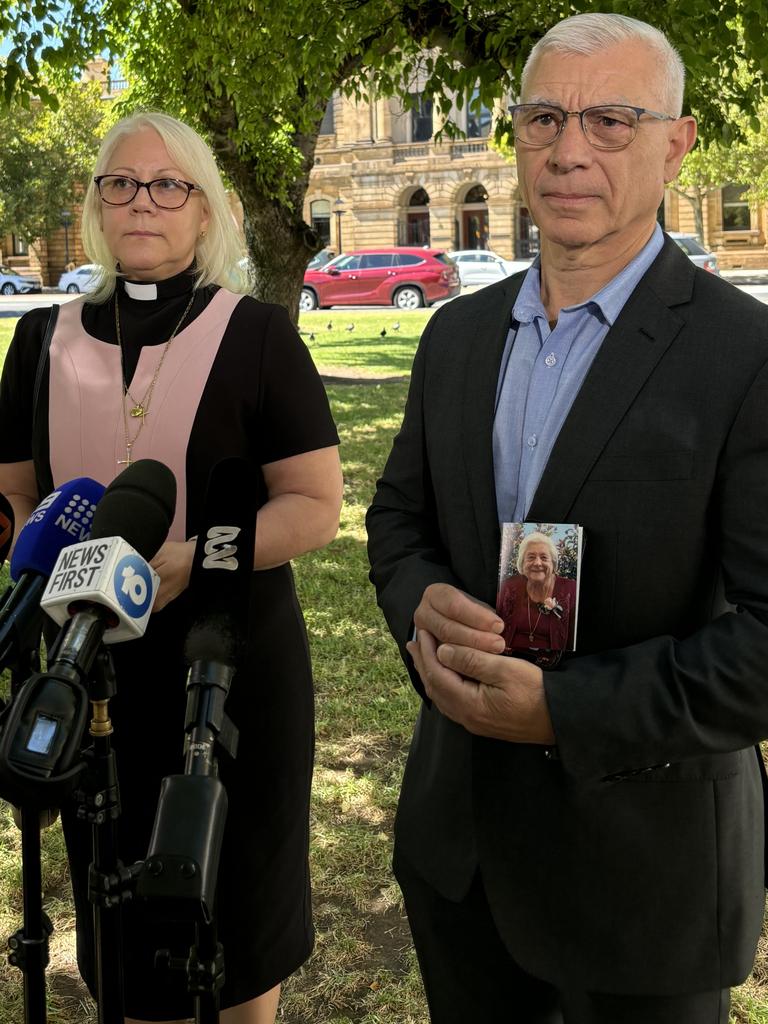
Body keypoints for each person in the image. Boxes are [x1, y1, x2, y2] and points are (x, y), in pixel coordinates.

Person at [367, 13, 768, 1024]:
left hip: (647, 881)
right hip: (461, 856)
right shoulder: (455, 337)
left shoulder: (745, 353)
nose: (569, 149)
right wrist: (423, 608)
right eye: (544, 117)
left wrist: (562, 709)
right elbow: (397, 522)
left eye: (612, 120)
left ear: (677, 143)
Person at [0, 111, 343, 1024]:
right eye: (120, 182)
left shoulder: (261, 334)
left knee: (238, 917)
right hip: (88, 678)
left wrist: (196, 558)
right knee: (123, 930)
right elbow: (14, 503)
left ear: (205, 212)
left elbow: (314, 506)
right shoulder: (37, 341)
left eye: (168, 185)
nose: (141, 201)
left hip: (229, 672)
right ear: (96, 206)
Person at [497, 532, 576, 655]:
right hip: (509, 657)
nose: (537, 563)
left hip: (552, 664)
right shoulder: (509, 586)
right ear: (522, 564)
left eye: (544, 557)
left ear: (553, 564)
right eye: (531, 557)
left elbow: (573, 639)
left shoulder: (571, 589)